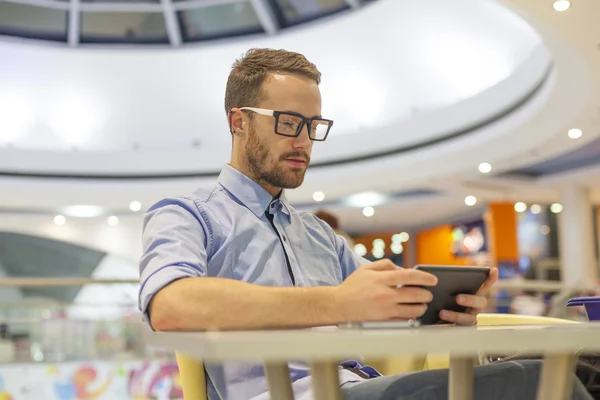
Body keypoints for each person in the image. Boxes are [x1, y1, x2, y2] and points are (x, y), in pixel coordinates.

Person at [138, 48, 592, 400]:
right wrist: (334, 302)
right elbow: (169, 303)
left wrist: (440, 314)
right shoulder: (187, 214)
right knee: (548, 380)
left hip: (360, 385)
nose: (303, 141)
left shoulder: (319, 236)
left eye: (313, 125)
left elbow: (381, 312)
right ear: (239, 122)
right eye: (289, 123)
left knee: (576, 371)